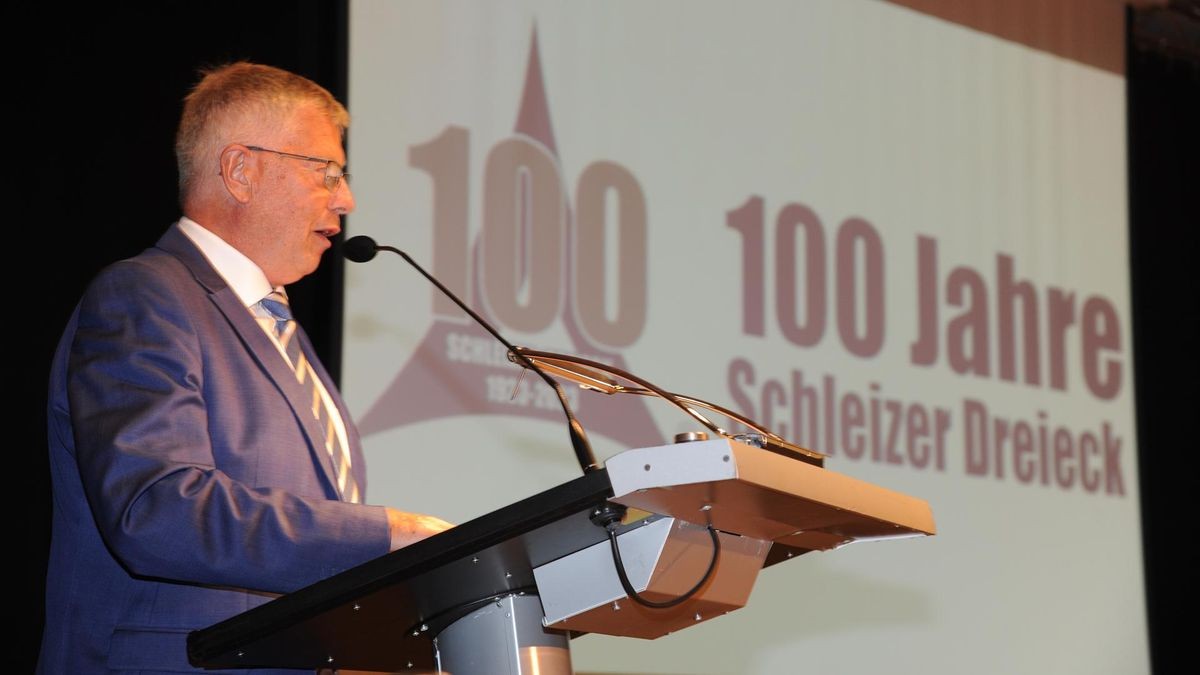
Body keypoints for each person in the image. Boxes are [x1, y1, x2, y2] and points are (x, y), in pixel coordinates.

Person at [38, 62, 451, 674]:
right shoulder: (145, 296)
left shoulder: (281, 330)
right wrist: (383, 534)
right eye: (327, 172)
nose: (347, 198)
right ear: (240, 171)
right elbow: (156, 509)